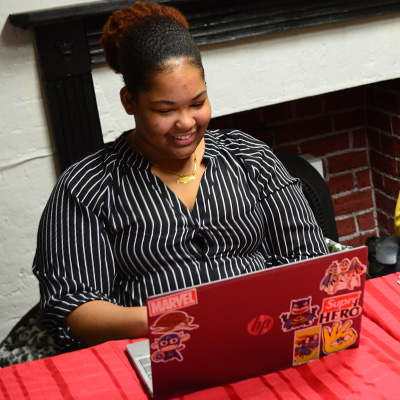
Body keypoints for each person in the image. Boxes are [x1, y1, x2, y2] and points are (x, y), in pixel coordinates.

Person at [32, 1, 328, 352]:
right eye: (165, 110)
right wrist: (173, 318)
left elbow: (307, 256)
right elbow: (74, 307)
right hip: (158, 350)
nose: (186, 122)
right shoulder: (87, 187)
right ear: (130, 101)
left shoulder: (249, 157)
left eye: (197, 102)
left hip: (263, 336)